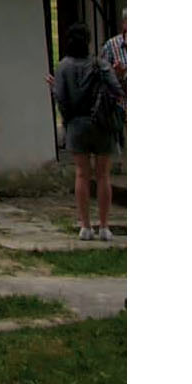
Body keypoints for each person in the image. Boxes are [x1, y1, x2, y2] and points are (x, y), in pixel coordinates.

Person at [49, 23, 122, 240]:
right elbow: (116, 91)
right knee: (103, 175)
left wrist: (65, 110)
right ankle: (105, 226)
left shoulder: (63, 67)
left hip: (76, 125)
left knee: (82, 174)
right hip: (101, 124)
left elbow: (61, 98)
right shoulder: (100, 65)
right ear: (88, 42)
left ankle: (85, 226)